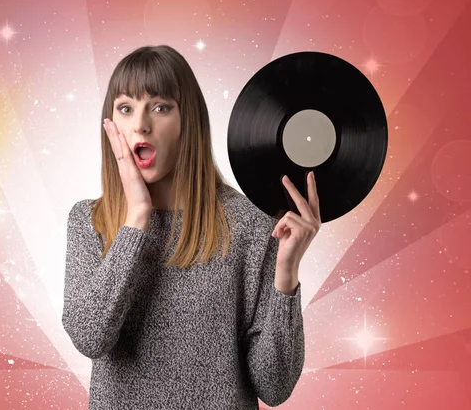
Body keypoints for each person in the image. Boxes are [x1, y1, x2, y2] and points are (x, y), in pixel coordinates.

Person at [61, 45, 321, 409]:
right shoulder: (89, 222)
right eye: (126, 108)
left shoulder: (248, 224)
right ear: (111, 124)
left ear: (189, 122)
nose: (140, 124)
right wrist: (137, 217)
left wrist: (287, 272)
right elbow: (90, 337)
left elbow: (274, 387)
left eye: (160, 107)